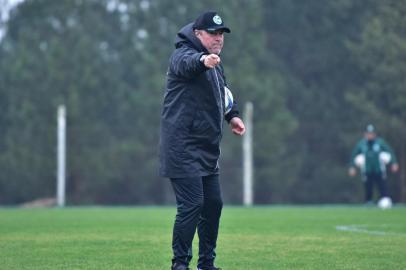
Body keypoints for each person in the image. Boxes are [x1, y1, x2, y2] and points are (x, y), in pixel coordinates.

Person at [159, 11, 245, 270]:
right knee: (192, 204)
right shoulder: (183, 54)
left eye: (221, 34)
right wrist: (203, 60)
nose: (218, 38)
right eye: (213, 33)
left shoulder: (216, 64)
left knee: (213, 204)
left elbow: (223, 93)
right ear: (198, 34)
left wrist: (232, 116)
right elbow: (186, 64)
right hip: (182, 147)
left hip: (206, 149)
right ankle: (180, 264)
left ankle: (206, 264)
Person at [348, 124, 399, 204]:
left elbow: (390, 152)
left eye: (371, 133)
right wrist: (352, 167)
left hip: (379, 169)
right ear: (365, 134)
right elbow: (354, 155)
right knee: (368, 187)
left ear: (374, 134)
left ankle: (385, 201)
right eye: (368, 133)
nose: (370, 135)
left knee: (382, 186)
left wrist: (394, 163)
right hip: (367, 170)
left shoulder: (380, 143)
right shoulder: (361, 144)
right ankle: (369, 202)